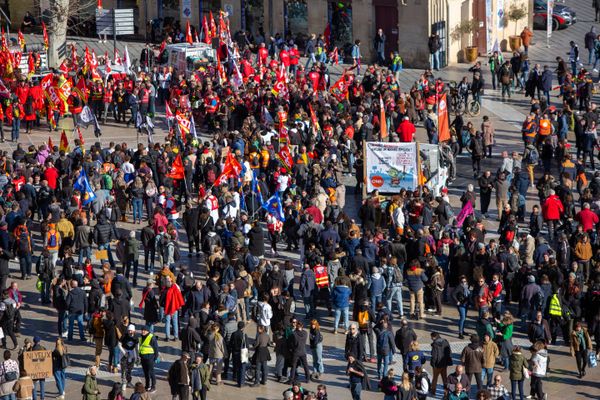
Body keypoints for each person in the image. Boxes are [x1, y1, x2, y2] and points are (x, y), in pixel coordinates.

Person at [429, 331, 452, 397]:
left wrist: (433, 364)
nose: (431, 338)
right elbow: (449, 352)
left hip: (437, 364)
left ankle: (433, 392)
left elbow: (434, 356)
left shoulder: (435, 344)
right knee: (444, 378)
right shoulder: (445, 341)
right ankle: (446, 393)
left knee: (435, 378)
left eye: (431, 337)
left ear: (434, 337)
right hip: (444, 363)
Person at [138, 325, 159, 392]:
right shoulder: (141, 337)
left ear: (148, 331)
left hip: (150, 358)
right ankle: (147, 386)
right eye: (142, 330)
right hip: (143, 358)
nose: (143, 331)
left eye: (144, 330)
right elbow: (141, 347)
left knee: (151, 372)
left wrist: (155, 357)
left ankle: (153, 386)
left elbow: (156, 348)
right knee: (146, 373)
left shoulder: (152, 337)